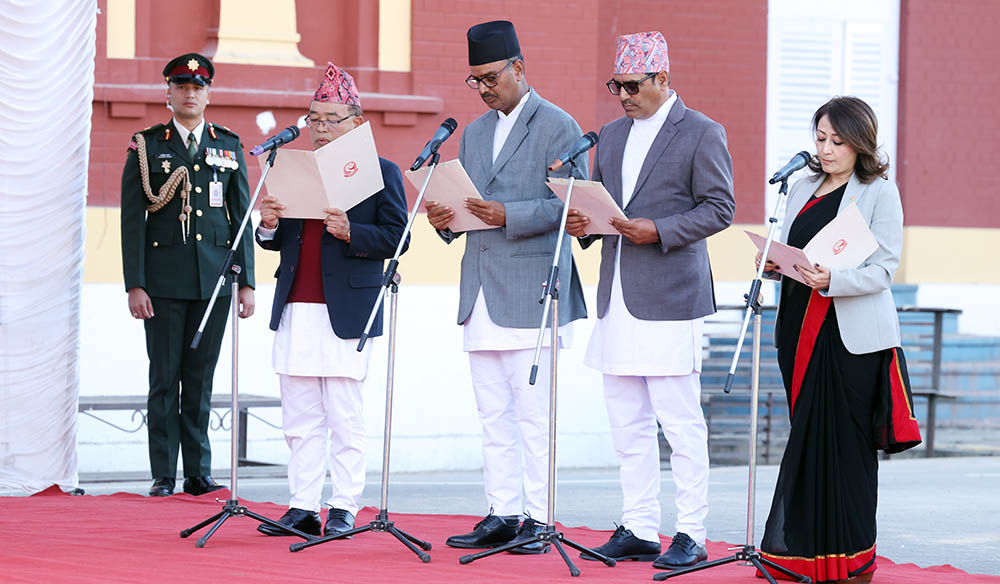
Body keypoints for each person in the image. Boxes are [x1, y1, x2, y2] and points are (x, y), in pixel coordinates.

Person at [566, 31, 734, 569]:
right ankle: (639, 526)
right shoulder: (612, 135)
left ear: (662, 78)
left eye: (633, 86)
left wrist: (658, 229)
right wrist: (583, 225)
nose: (623, 96)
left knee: (679, 423)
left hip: (669, 297)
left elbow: (720, 208)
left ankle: (692, 532)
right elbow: (605, 207)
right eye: (616, 86)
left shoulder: (702, 131)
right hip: (616, 295)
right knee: (627, 422)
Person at [426, 20, 588, 554]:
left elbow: (573, 203)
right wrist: (445, 221)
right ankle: (502, 512)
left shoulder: (559, 125)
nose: (483, 88)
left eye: (491, 77)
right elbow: (468, 207)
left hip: (531, 288)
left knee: (533, 416)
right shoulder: (474, 133)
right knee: (492, 414)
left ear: (518, 68)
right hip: (479, 289)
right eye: (475, 80)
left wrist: (507, 215)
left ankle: (539, 519)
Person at [755, 96, 921, 583]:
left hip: (850, 338)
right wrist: (772, 265)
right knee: (807, 441)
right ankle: (804, 558)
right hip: (798, 329)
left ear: (860, 144)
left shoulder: (878, 192)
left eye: (837, 141)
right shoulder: (801, 187)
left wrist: (834, 279)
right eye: (821, 139)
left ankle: (853, 559)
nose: (825, 150)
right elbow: (795, 254)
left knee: (846, 449)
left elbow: (884, 270)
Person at [254, 62, 408, 537]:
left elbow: (398, 237)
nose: (319, 127)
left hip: (347, 309)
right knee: (300, 417)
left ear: (357, 123)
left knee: (344, 415)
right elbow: (277, 241)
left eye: (330, 119)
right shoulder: (294, 167)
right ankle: (302, 506)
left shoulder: (380, 171)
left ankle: (343, 506)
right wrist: (269, 225)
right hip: (297, 304)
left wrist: (351, 231)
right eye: (314, 118)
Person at [120, 52, 255, 498]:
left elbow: (241, 219)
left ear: (208, 94)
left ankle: (198, 472)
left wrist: (246, 282)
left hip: (213, 283)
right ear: (169, 93)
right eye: (181, 87)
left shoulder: (227, 145)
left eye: (198, 88)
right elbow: (132, 221)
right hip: (161, 283)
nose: (190, 94)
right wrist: (135, 284)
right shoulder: (147, 145)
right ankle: (164, 473)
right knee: (164, 377)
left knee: (200, 379)